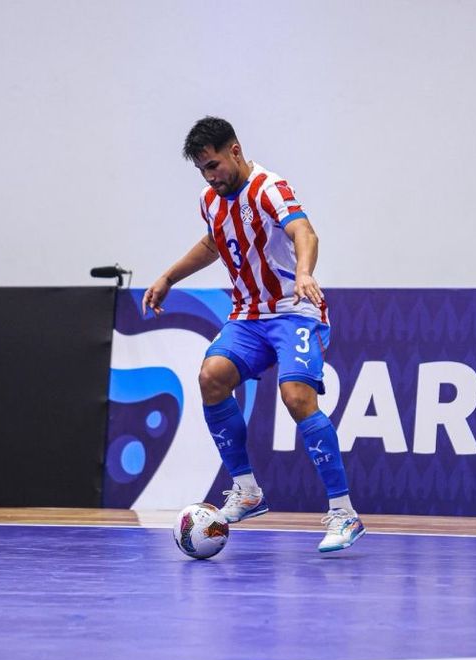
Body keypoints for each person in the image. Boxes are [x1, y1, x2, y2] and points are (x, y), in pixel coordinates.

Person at [143, 116, 364, 552]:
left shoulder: (269, 187)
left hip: (296, 311)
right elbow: (213, 243)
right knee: (211, 377)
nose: (210, 176)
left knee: (297, 396)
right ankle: (246, 490)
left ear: (236, 151)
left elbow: (305, 231)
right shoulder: (211, 199)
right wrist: (169, 276)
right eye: (202, 169)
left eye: (214, 165)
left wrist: (303, 273)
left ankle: (344, 514)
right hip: (248, 317)